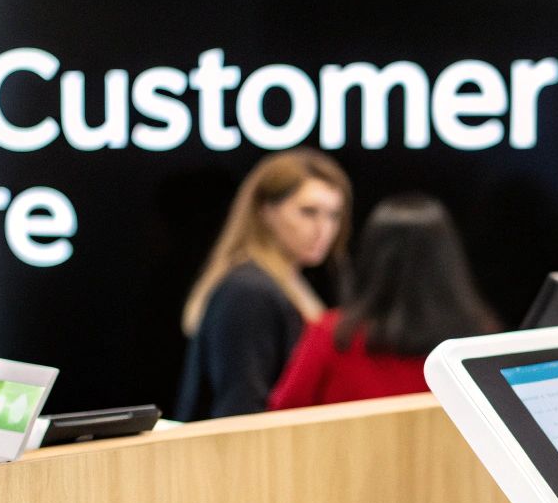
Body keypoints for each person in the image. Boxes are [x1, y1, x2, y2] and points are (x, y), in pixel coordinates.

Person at [268, 195, 497, 409]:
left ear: (372, 255)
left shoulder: (332, 335)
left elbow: (282, 419)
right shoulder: (479, 341)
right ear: (448, 261)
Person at [174, 149, 352, 420]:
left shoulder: (286, 282)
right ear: (266, 211)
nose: (323, 229)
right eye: (308, 212)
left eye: (333, 215)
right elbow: (242, 410)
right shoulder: (247, 291)